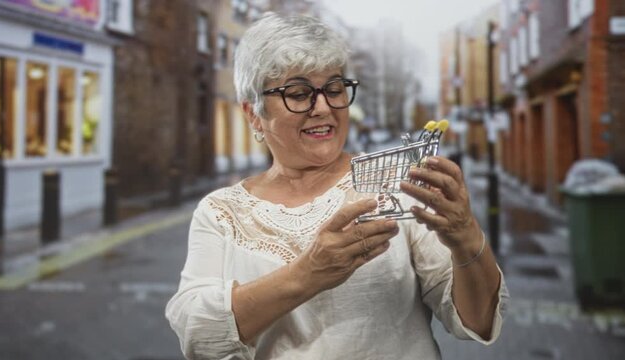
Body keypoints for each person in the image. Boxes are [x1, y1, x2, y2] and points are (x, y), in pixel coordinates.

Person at [166, 12, 509, 360]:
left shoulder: (398, 185)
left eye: (333, 89)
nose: (323, 107)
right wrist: (307, 275)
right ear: (254, 114)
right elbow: (198, 336)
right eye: (298, 93)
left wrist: (466, 237)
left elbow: (477, 322)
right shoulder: (221, 212)